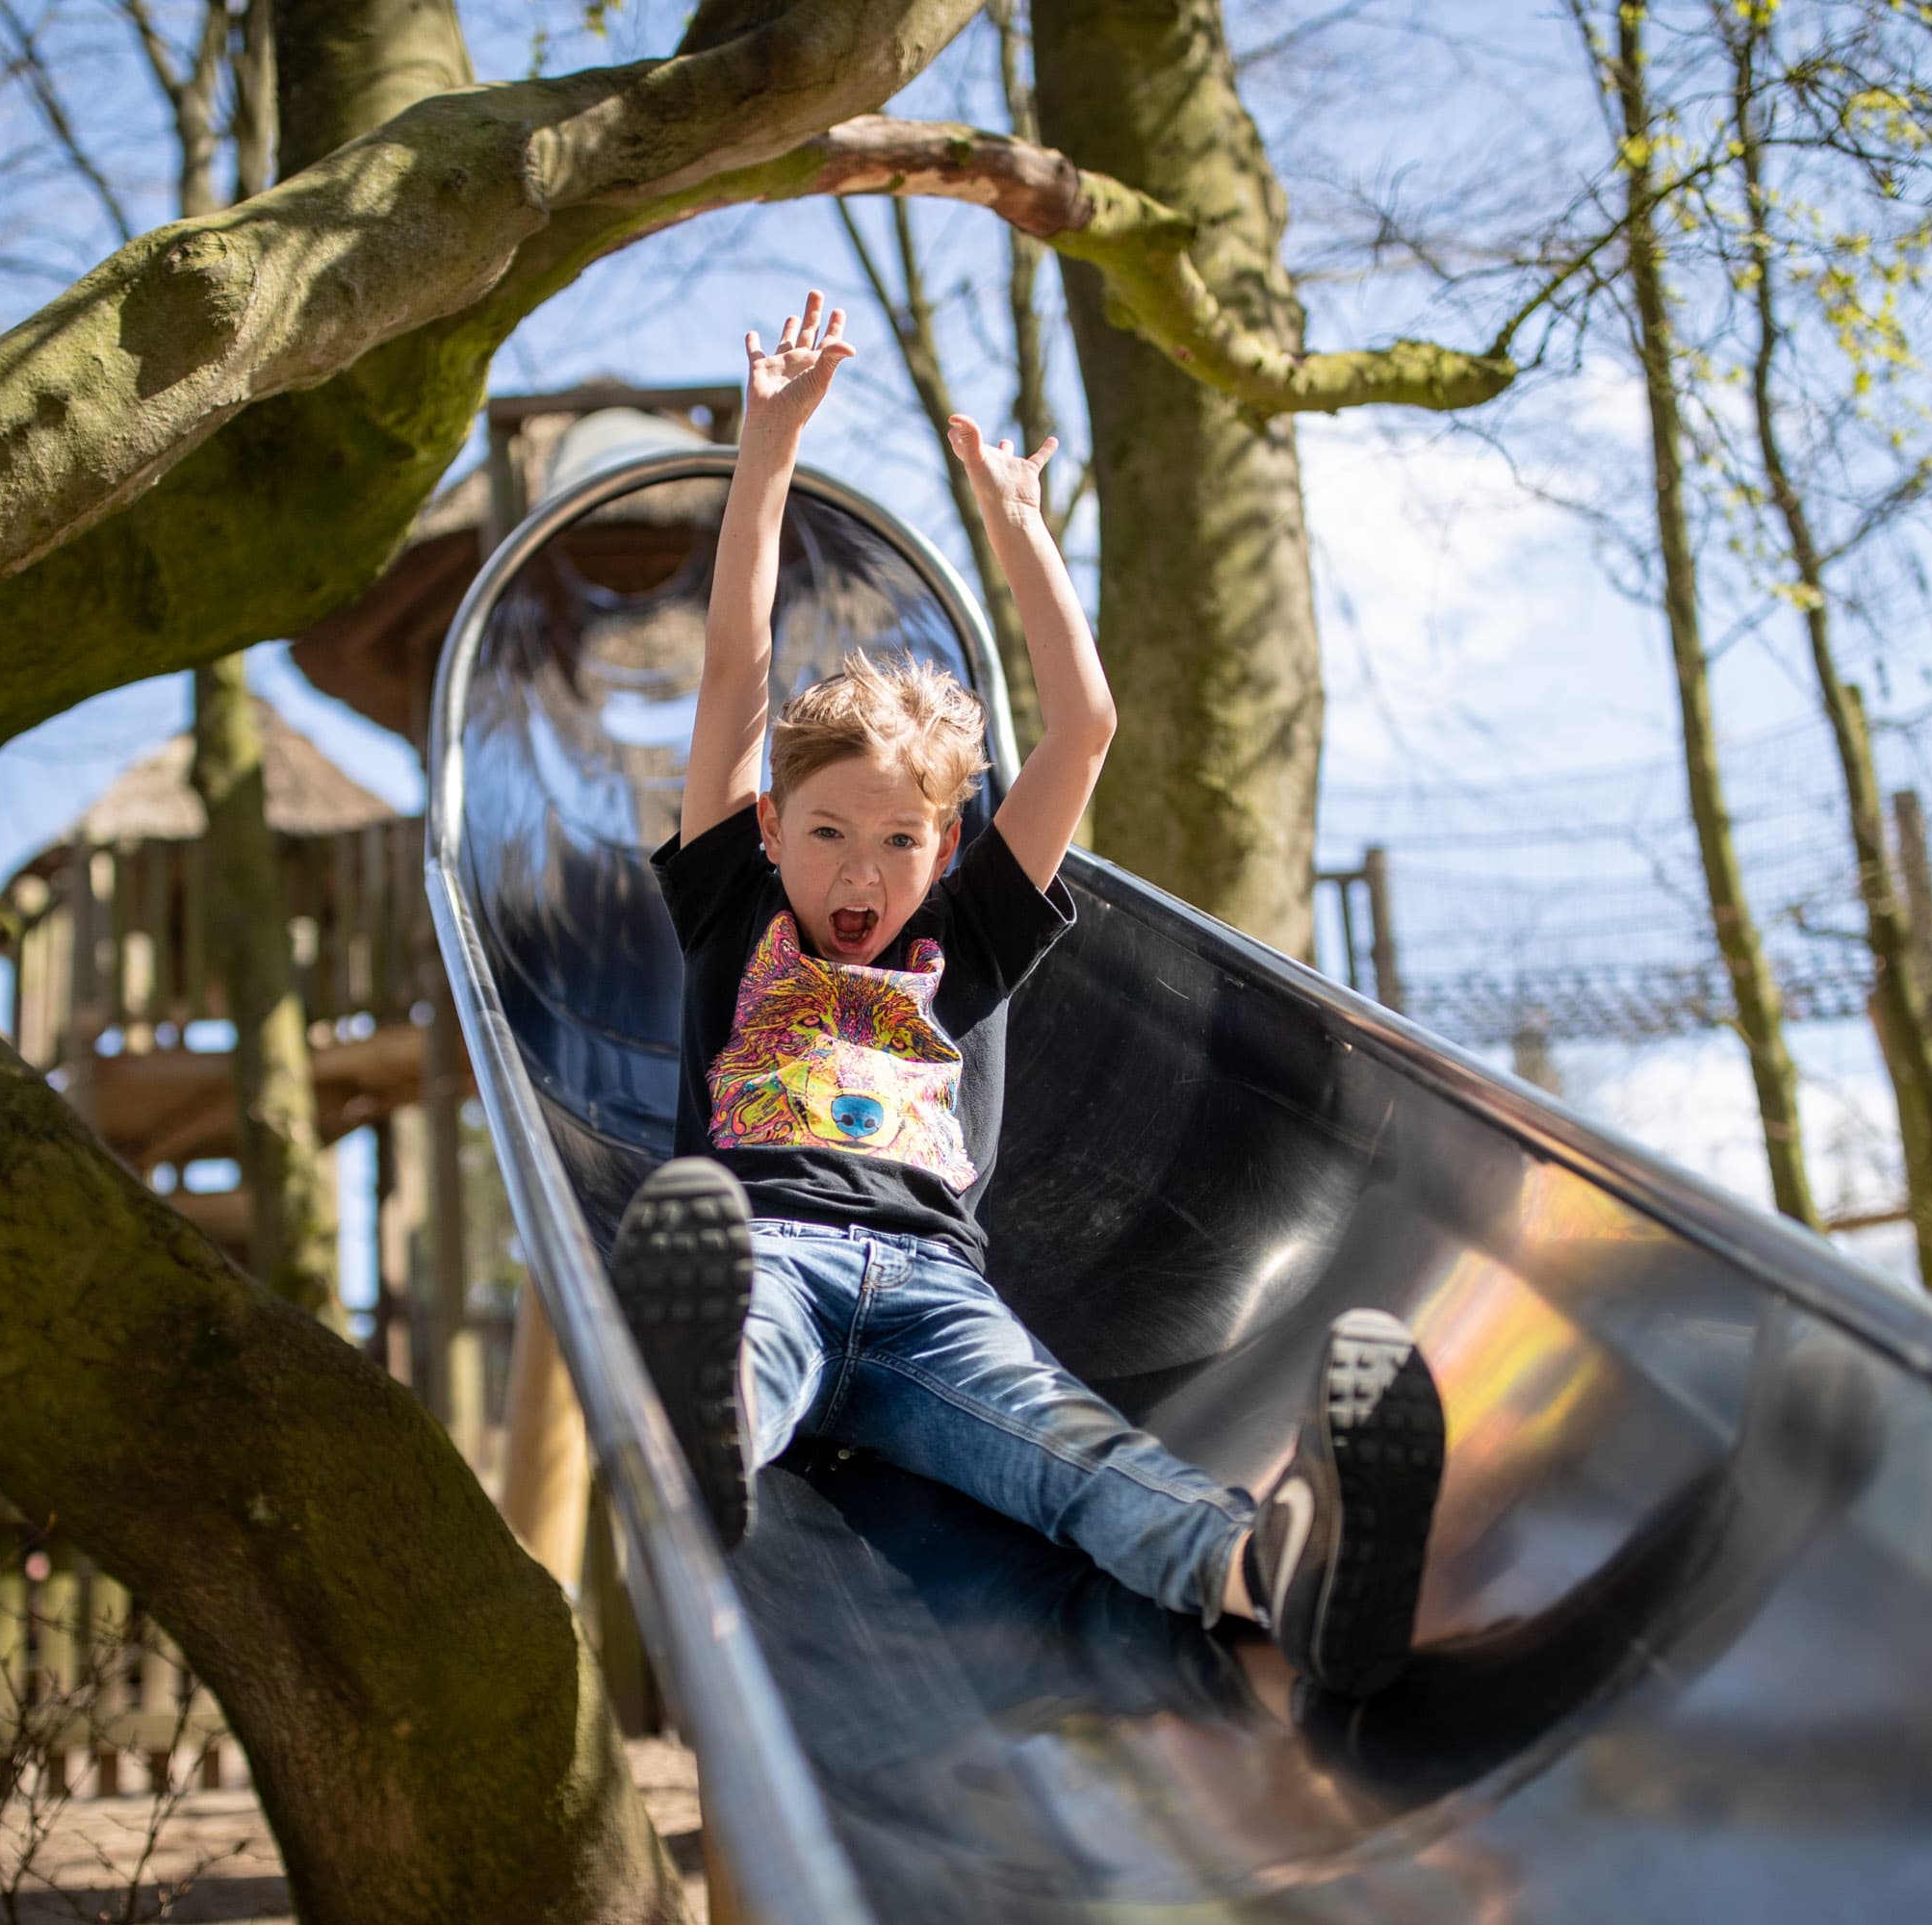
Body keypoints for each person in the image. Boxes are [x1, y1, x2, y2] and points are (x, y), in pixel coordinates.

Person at [613, 291, 1449, 1699]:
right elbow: (737, 680)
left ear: (945, 847)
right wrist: (766, 454)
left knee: (1075, 1454)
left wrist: (1018, 525)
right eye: (825, 833)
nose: (859, 869)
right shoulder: (732, 904)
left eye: (897, 841)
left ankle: (1278, 1566)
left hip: (940, 1291)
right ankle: (702, 1440)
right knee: (735, 1333)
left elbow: (1087, 726)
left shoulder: (970, 933)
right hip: (768, 1247)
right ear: (770, 829)